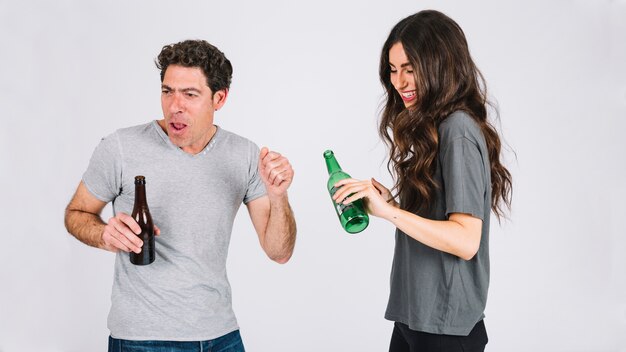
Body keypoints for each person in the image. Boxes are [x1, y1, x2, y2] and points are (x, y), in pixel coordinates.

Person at [64, 39, 297, 351]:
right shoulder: (120, 147)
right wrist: (105, 234)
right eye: (167, 91)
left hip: (221, 336)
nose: (175, 105)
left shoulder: (244, 155)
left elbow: (278, 251)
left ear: (220, 98)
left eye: (190, 94)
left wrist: (279, 195)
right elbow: (76, 214)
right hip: (142, 340)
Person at [332, 10, 512, 352]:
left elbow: (465, 240)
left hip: (445, 329)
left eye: (410, 69)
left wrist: (390, 213)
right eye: (393, 69)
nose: (400, 82)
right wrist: (393, 205)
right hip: (416, 317)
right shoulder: (436, 127)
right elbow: (438, 221)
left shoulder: (457, 130)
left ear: (439, 65)